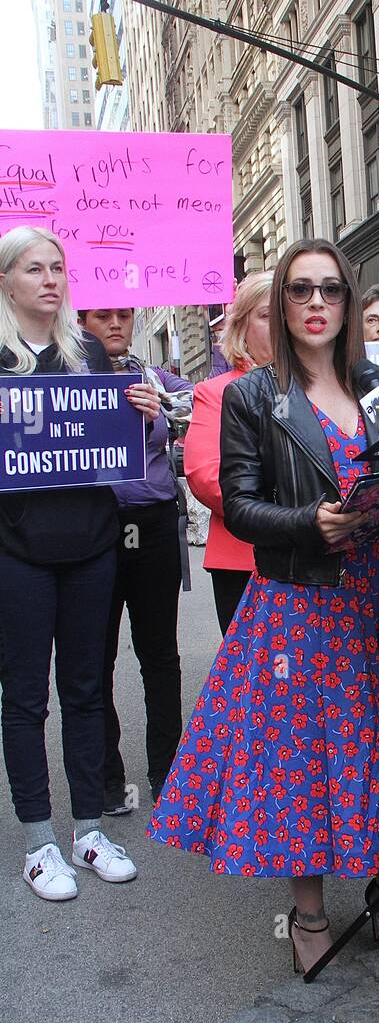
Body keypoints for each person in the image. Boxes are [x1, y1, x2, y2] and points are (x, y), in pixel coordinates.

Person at [148, 239, 379, 967]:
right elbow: (242, 506)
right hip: (301, 602)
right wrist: (309, 523)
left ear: (349, 304)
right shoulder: (251, 396)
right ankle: (310, 916)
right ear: (281, 306)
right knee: (303, 761)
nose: (316, 303)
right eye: (300, 291)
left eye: (330, 290)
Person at [0, 227, 153, 899]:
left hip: (92, 545)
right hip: (17, 551)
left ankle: (88, 830)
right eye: (35, 269)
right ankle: (39, 844)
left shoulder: (90, 350)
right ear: (7, 280)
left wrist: (143, 415)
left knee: (88, 690)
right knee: (26, 698)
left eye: (58, 267)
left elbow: (117, 444)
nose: (50, 279)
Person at [77, 308, 193, 813]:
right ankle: (107, 779)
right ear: (83, 322)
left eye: (123, 315)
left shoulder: (154, 375)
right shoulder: (67, 378)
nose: (117, 324)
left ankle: (168, 771)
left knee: (160, 654)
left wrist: (161, 413)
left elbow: (195, 411)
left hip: (153, 523)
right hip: (95, 525)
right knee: (96, 656)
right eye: (104, 316)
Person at [184, 272, 274, 635]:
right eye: (267, 316)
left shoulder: (324, 383)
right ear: (241, 326)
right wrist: (284, 513)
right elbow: (205, 474)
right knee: (253, 680)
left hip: (321, 553)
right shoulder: (216, 391)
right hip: (243, 558)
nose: (280, 324)